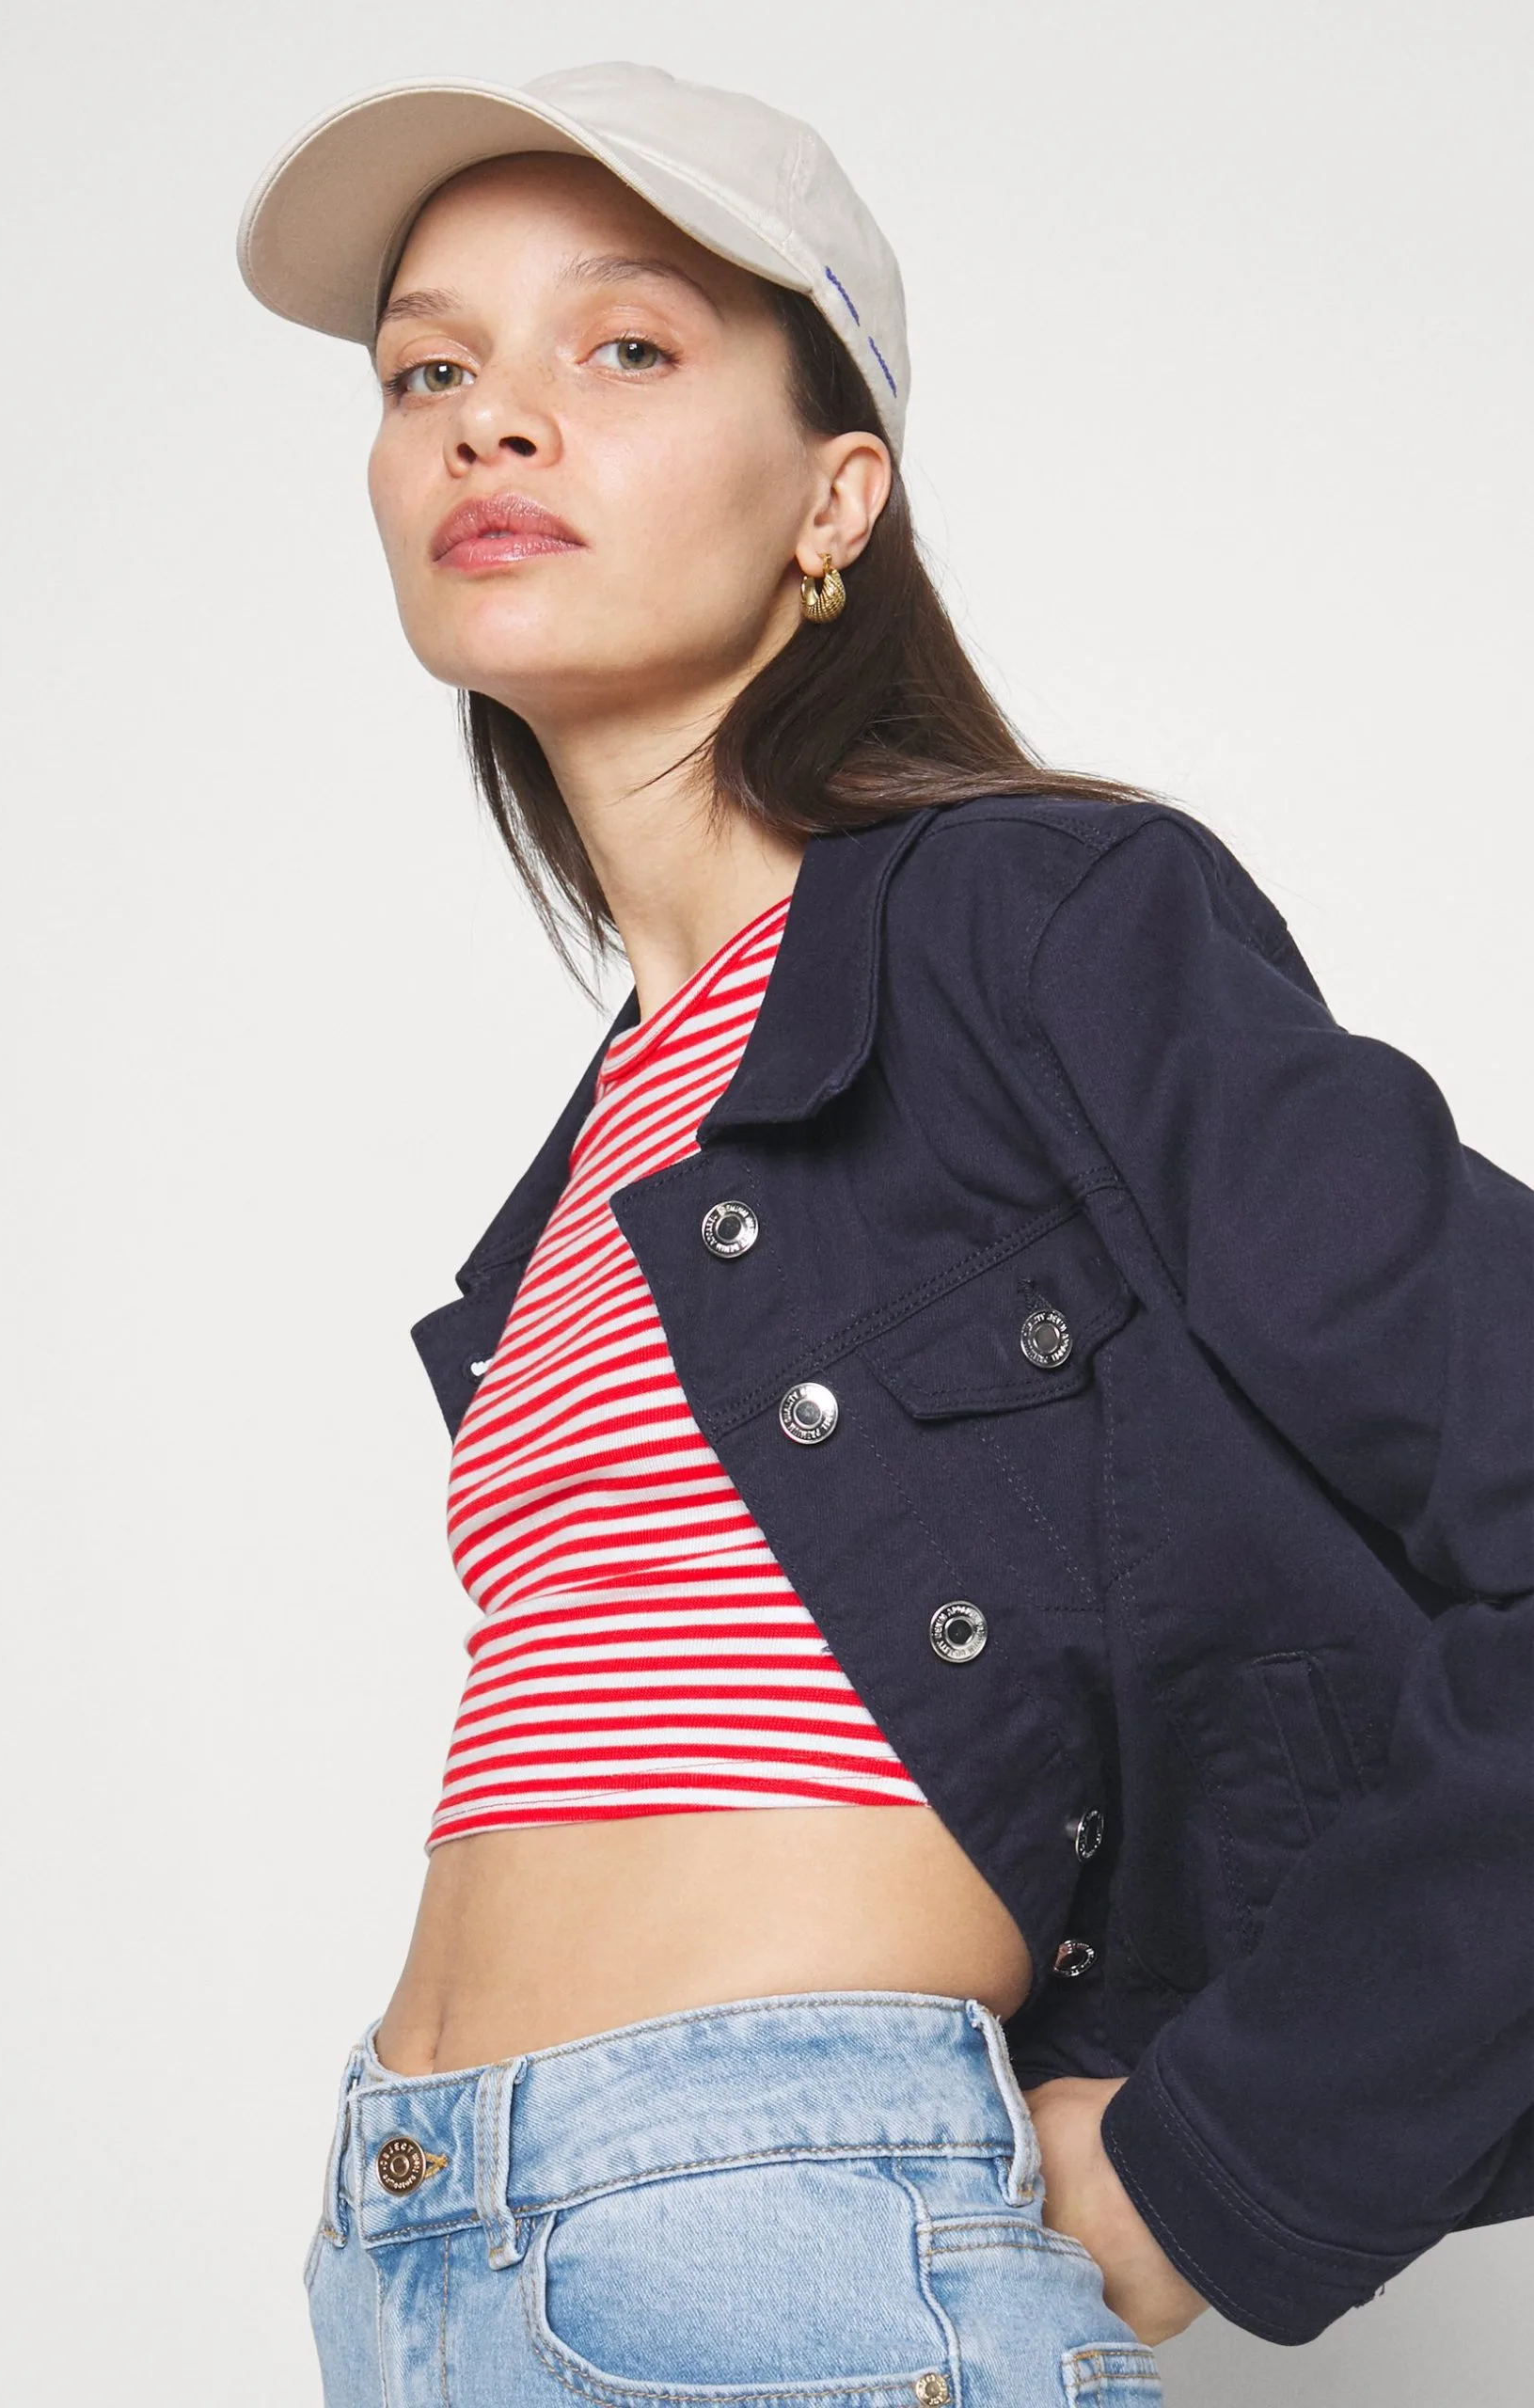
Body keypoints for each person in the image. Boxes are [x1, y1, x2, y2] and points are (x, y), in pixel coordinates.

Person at [237, 61, 1533, 2405]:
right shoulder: (592, 1161)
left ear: (835, 494)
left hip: (781, 2243)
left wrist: (1222, 2163)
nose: (488, 421)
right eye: (428, 369)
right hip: (415, 2239)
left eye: (623, 345)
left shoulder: (1037, 925)